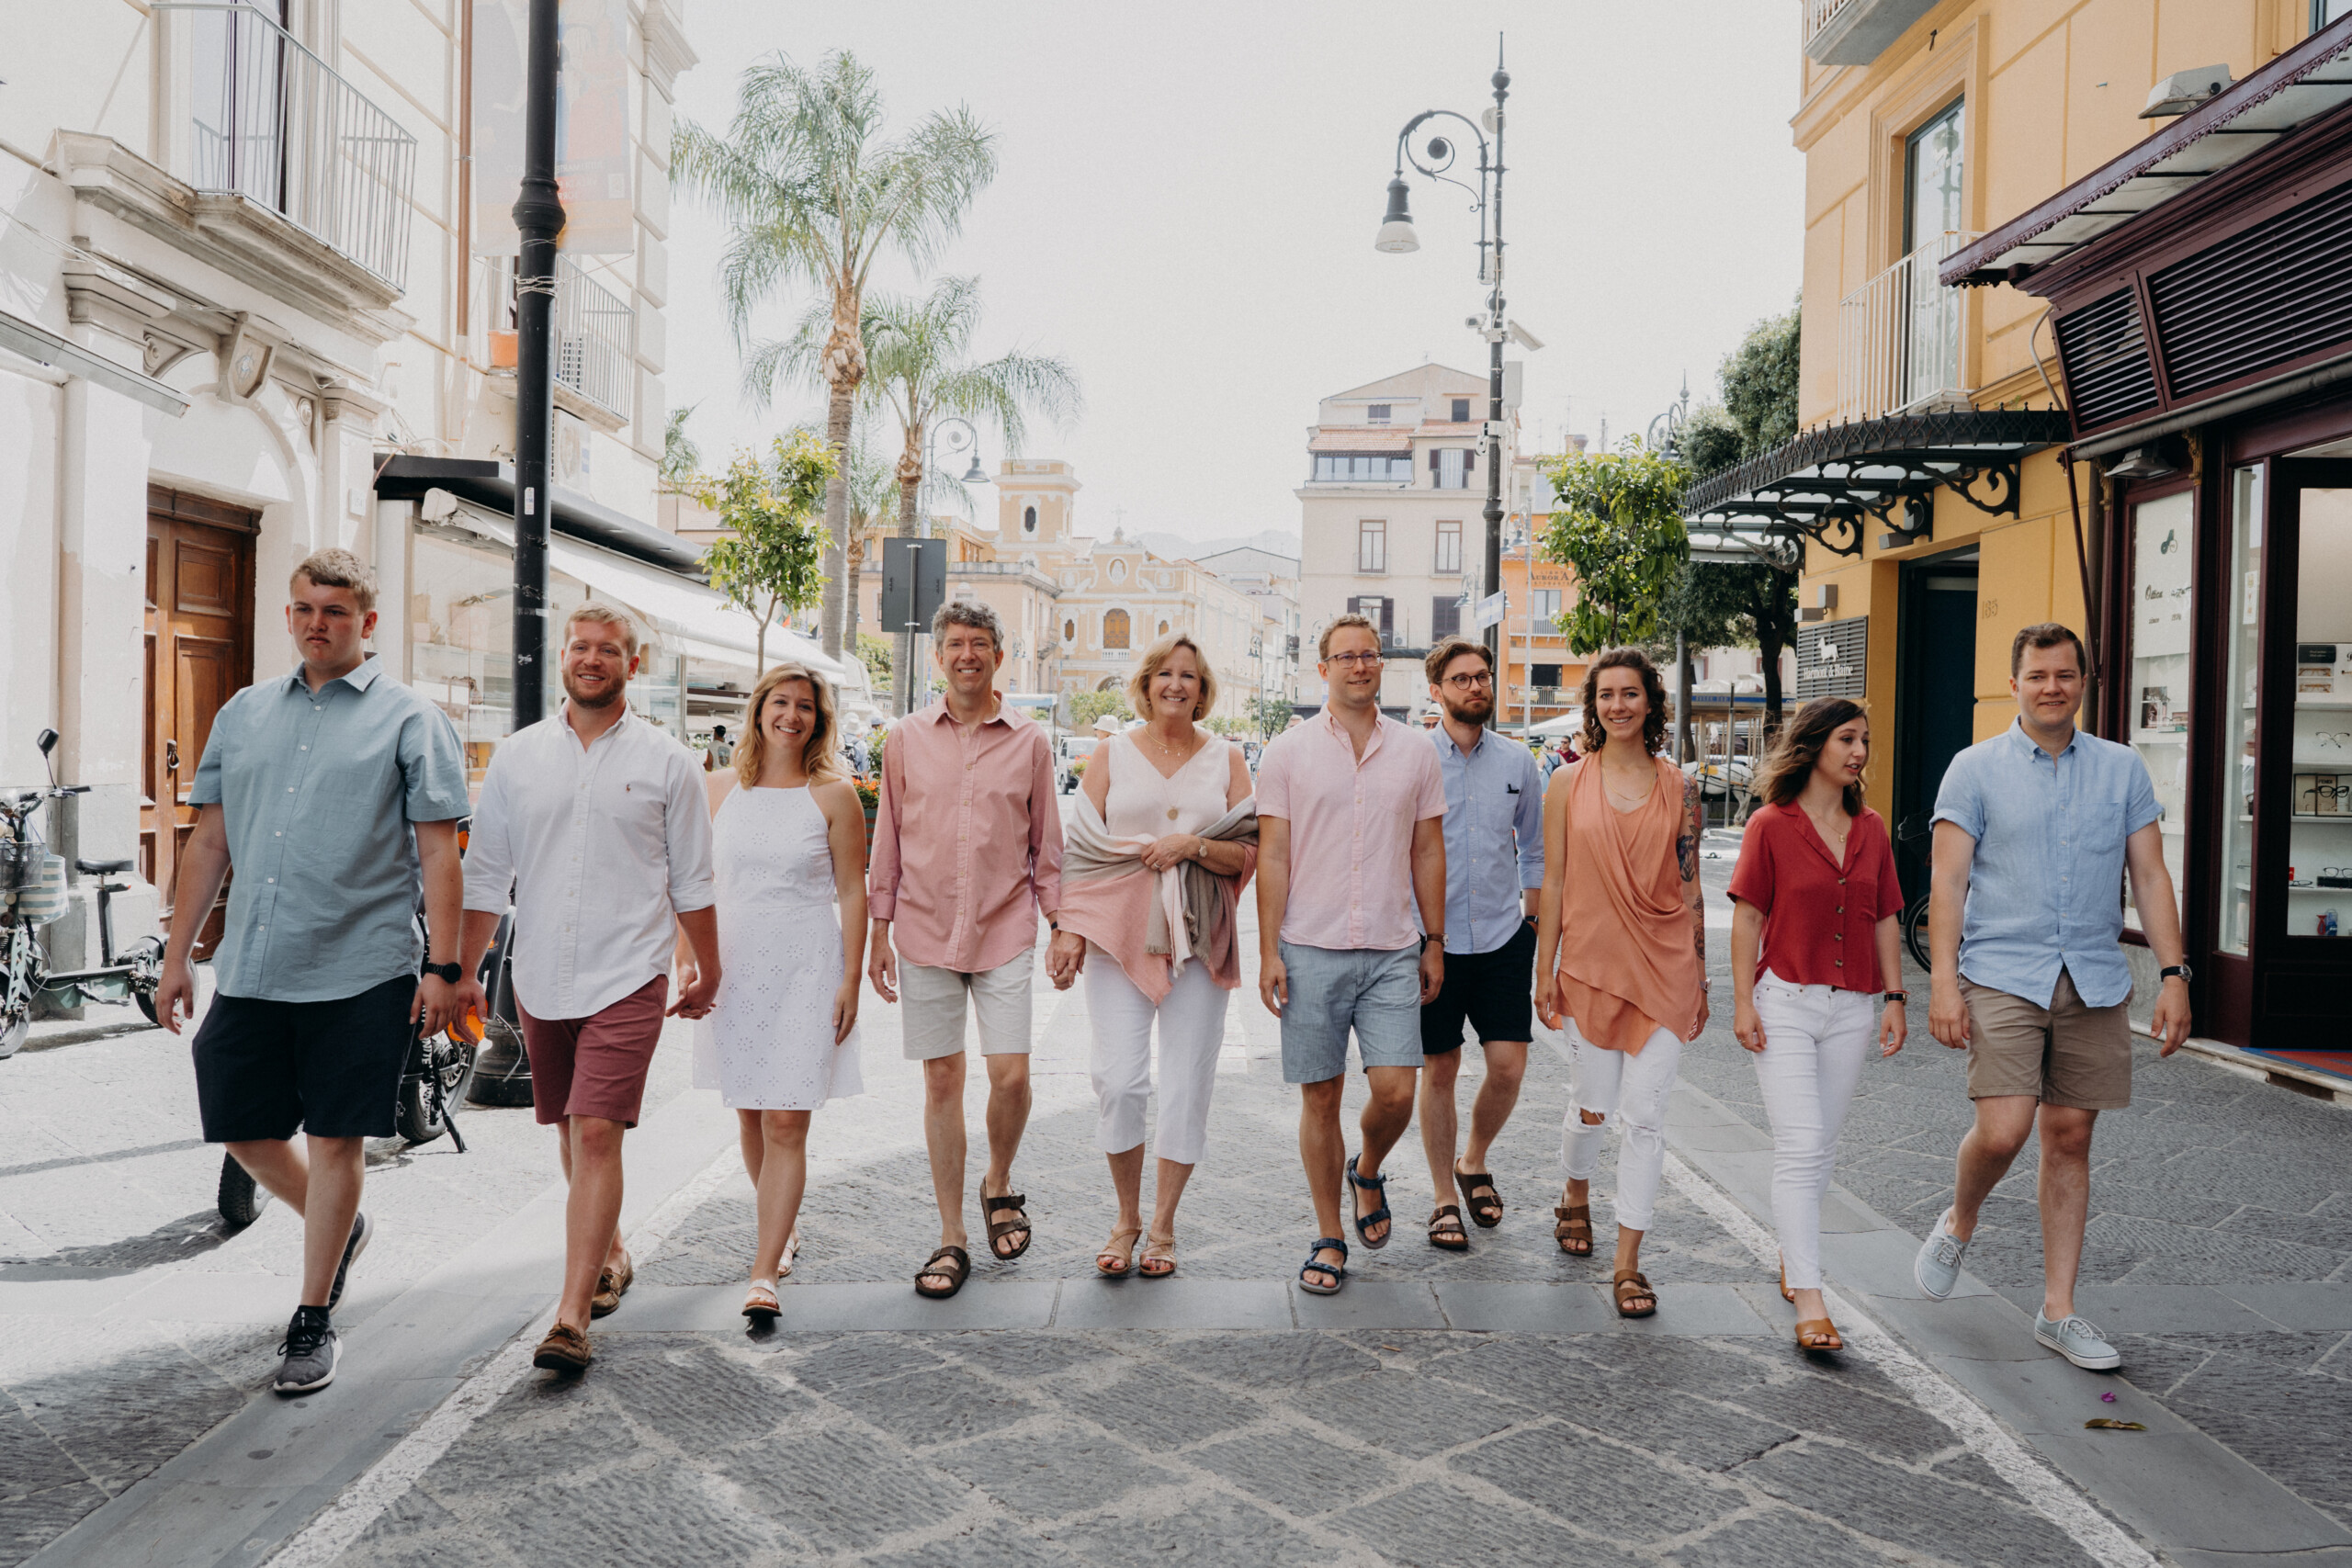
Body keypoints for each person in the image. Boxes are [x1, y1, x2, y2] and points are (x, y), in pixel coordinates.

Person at [154, 549, 468, 1396]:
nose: (316, 622)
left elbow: (440, 851)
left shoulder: (411, 719)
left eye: (335, 610)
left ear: (368, 623)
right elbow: (209, 841)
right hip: (254, 960)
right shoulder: (244, 713)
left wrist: (446, 965)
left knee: (337, 1134)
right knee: (240, 1122)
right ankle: (341, 1226)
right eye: (303, 609)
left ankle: (313, 1314)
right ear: (288, 617)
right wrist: (179, 953)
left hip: (363, 966)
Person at [1915, 624, 2192, 1371]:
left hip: (2095, 976)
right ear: (2016, 683)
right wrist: (1943, 980)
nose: (2052, 687)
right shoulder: (1972, 769)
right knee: (2004, 1131)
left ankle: (2059, 1310)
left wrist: (2173, 974)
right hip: (2003, 969)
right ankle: (1960, 1219)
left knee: (2070, 1135)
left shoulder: (2122, 768)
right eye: (2038, 675)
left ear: (2083, 682)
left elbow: (2152, 875)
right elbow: (1948, 881)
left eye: (2065, 675)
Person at [458, 603, 721, 1374]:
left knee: (598, 1129)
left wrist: (708, 962)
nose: (593, 658)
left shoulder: (670, 761)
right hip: (540, 974)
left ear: (632, 665)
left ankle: (570, 1317)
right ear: (564, 656)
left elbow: (693, 879)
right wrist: (467, 970)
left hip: (628, 972)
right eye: (581, 646)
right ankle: (608, 1248)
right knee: (571, 1133)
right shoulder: (517, 758)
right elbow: (486, 875)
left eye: (609, 649)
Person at [867, 601, 1064, 1299]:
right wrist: (877, 931)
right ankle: (951, 1233)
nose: (967, 654)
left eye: (980, 643)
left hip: (1005, 926)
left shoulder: (1031, 741)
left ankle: (999, 1180)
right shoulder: (905, 739)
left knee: (1010, 1075)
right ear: (939, 656)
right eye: (955, 643)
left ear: (998, 656)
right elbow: (885, 838)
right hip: (922, 930)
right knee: (942, 1081)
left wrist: (1061, 924)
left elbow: (1049, 846)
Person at [1050, 634, 1256, 1279]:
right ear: (1145, 683)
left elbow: (1250, 850)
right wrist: (1069, 931)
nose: (1176, 684)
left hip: (1199, 937)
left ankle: (1162, 1223)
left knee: (1187, 1082)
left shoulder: (1228, 758)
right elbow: (1081, 849)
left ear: (1203, 688)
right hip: (1119, 937)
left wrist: (1192, 845)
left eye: (1188, 676)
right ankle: (1125, 1214)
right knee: (1117, 1078)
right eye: (1164, 673)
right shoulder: (1110, 753)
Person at [1255, 614, 1447, 1296]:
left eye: (1369, 655)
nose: (1359, 666)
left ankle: (1367, 1169)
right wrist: (1268, 948)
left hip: (1395, 947)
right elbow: (1272, 854)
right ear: (1323, 669)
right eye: (1345, 656)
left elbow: (1427, 848)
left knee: (1397, 1089)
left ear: (1380, 664)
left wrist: (1434, 939)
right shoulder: (1287, 752)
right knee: (1321, 1096)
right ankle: (1329, 1233)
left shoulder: (1417, 751)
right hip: (1310, 945)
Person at [1727, 697, 1908, 1352]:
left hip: (1853, 1006)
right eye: (1846, 740)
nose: (1859, 752)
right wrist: (1744, 1001)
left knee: (1820, 1147)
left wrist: (1895, 997)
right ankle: (1810, 1295)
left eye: (1864, 740)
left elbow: (1886, 915)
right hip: (1785, 1002)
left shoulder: (1873, 829)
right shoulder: (1771, 825)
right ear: (1814, 746)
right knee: (1803, 1145)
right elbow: (1747, 918)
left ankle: (1792, 1250)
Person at [1535, 647, 1708, 1319]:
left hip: (1665, 966)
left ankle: (1628, 1260)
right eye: (1606, 694)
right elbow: (1552, 879)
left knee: (1645, 1117)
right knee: (1593, 1105)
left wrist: (1703, 975)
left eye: (1630, 693)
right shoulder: (1565, 784)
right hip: (1588, 963)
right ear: (1594, 704)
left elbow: (1691, 885)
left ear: (1650, 702)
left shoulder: (1682, 787)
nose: (1618, 705)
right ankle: (1574, 1187)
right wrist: (1541, 968)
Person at [692, 661, 866, 1321]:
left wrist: (852, 976)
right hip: (735, 964)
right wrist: (690, 961)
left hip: (806, 964)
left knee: (788, 1116)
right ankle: (781, 1224)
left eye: (806, 707)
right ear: (759, 709)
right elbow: (697, 883)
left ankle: (763, 1272)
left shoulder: (833, 795)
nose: (792, 715)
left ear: (819, 720)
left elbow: (854, 889)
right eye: (781, 702)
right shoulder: (717, 789)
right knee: (750, 1112)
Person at [1417, 638, 1543, 1252]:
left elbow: (1537, 848)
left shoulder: (1519, 763)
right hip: (1429, 940)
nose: (1477, 686)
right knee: (1439, 1067)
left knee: (1508, 1066)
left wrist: (1534, 927)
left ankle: (1474, 1158)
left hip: (1501, 936)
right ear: (1435, 690)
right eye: (1462, 678)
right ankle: (1444, 1195)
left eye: (1484, 676)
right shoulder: (1413, 758)